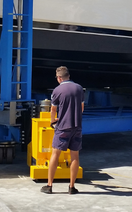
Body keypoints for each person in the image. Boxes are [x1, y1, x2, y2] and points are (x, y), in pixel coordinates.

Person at [41, 66, 84, 195]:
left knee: (55, 155)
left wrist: (52, 121)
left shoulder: (57, 90)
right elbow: (81, 108)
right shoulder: (79, 88)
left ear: (59, 78)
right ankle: (72, 187)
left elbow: (53, 109)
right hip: (77, 126)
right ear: (68, 76)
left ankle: (49, 186)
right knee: (75, 156)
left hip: (63, 127)